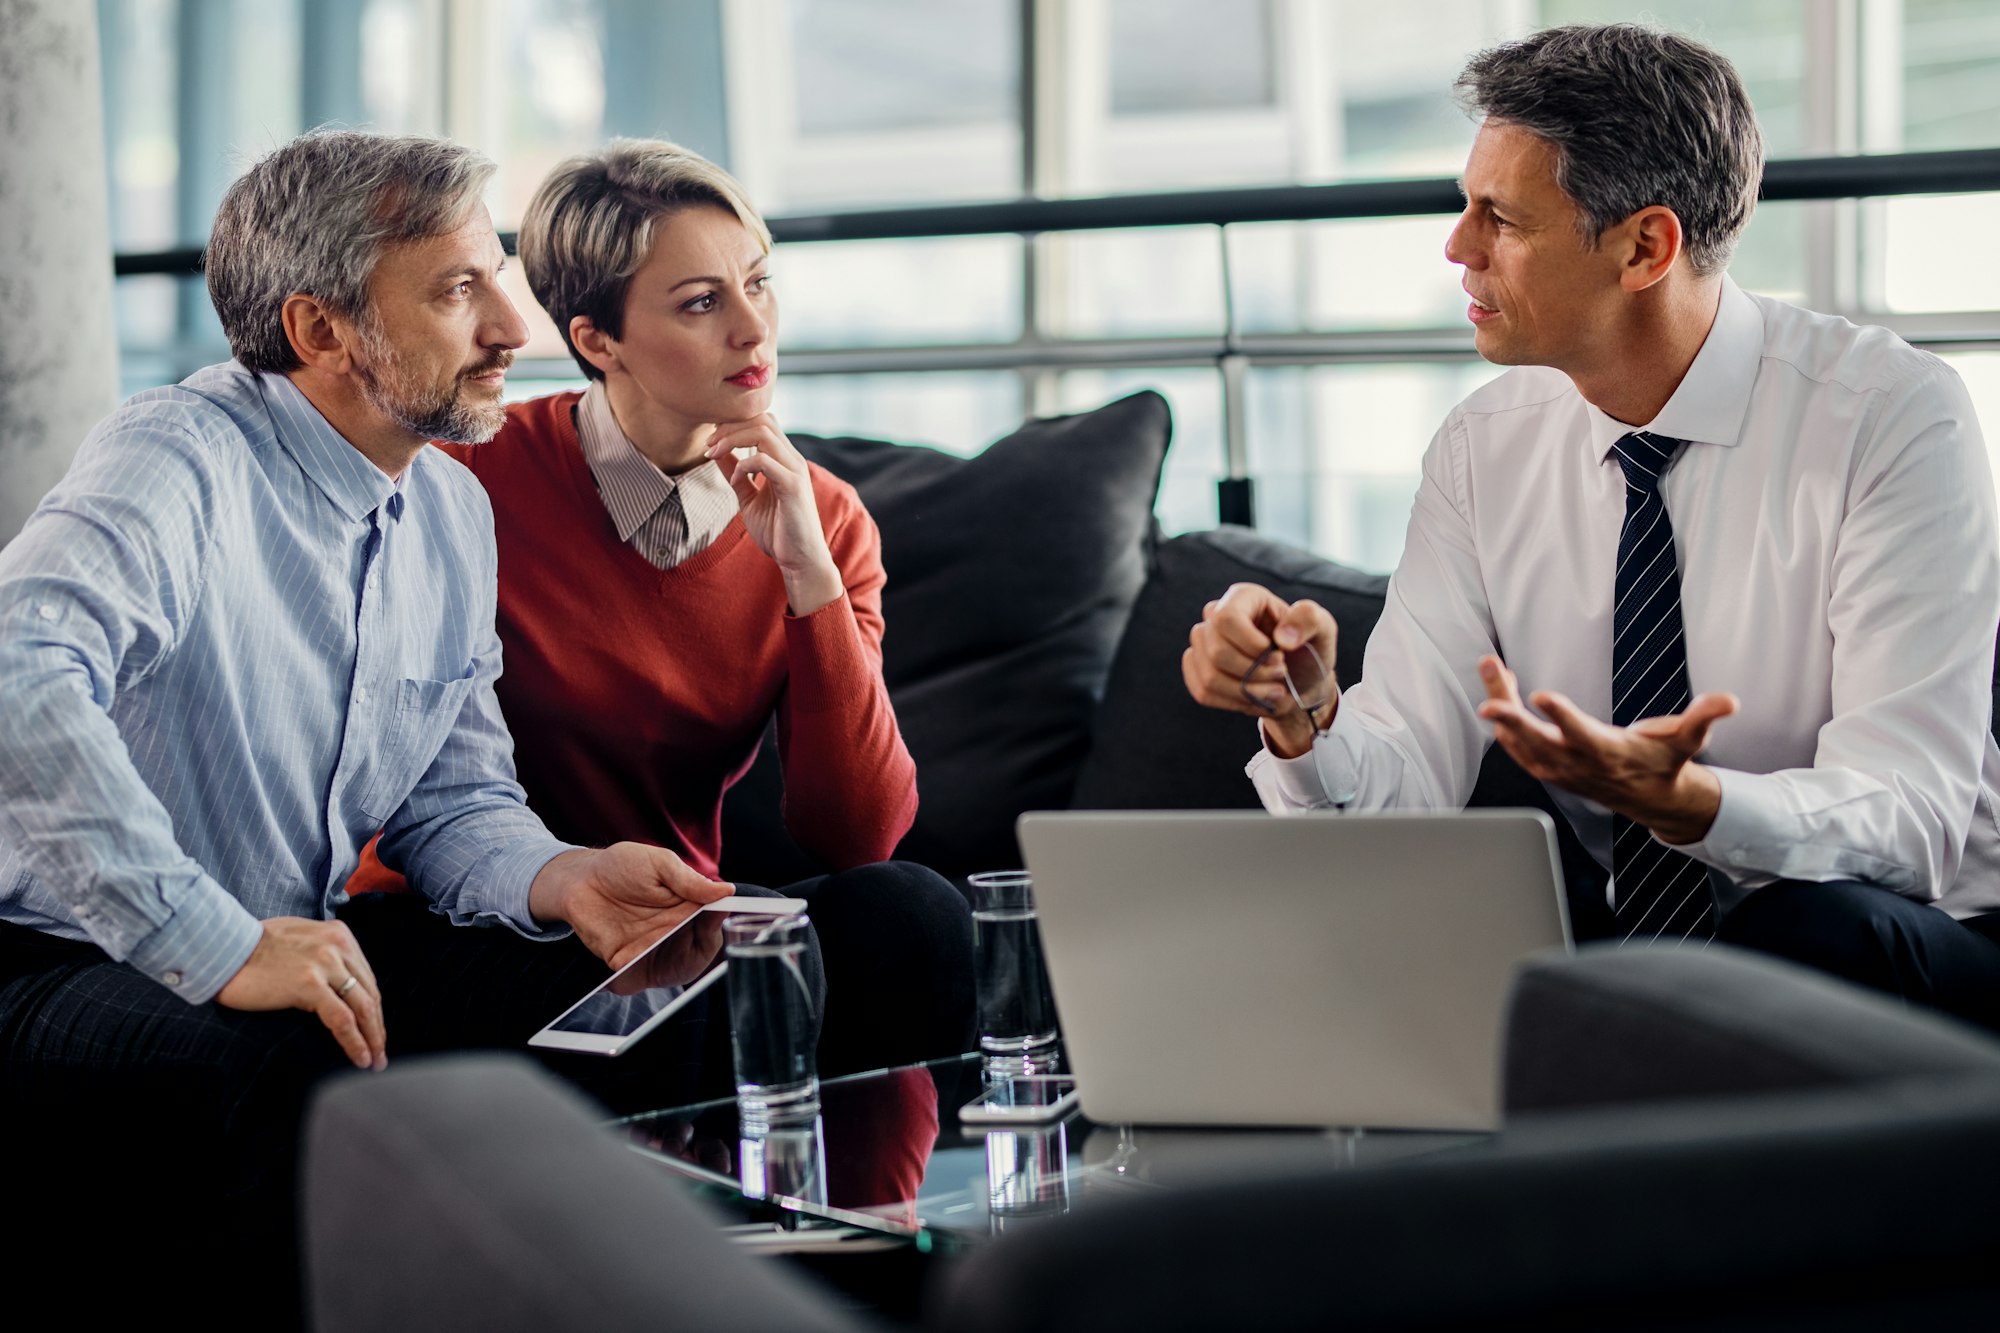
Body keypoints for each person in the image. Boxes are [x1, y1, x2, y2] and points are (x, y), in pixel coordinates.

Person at [0, 129, 765, 1321]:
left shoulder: (449, 508)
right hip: (56, 962)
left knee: (647, 991)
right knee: (300, 1063)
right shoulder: (180, 455)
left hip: (300, 941)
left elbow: (451, 804)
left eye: (497, 276)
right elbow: (17, 675)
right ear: (320, 331)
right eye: (461, 289)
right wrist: (218, 942)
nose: (514, 328)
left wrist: (565, 879)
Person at [1182, 23, 2000, 1026]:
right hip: (1640, 958)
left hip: (1923, 941)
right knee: (1468, 920)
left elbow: (1907, 817)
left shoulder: (1889, 413)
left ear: (1644, 246)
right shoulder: (1481, 449)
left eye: (1498, 217)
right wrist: (1303, 716)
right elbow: (1398, 797)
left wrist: (1693, 803)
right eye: (1461, 206)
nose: (1456, 247)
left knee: (1809, 933)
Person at [344, 138, 973, 1076]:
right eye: (702, 303)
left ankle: (873, 1217)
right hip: (463, 916)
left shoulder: (828, 516)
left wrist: (809, 573)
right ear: (597, 340)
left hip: (670, 917)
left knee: (912, 917)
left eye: (758, 284)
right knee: (698, 1016)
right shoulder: (465, 479)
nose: (753, 330)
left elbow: (859, 836)